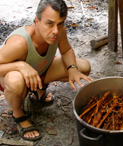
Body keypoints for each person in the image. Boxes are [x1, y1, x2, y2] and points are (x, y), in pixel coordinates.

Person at [0, 0, 93, 141]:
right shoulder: (19, 42)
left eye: (60, 23)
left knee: (83, 67)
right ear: (37, 20)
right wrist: (20, 66)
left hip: (39, 70)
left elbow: (67, 50)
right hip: (12, 77)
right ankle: (18, 114)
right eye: (49, 23)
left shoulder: (59, 31)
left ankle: (38, 89)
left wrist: (72, 69)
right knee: (15, 81)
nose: (55, 31)